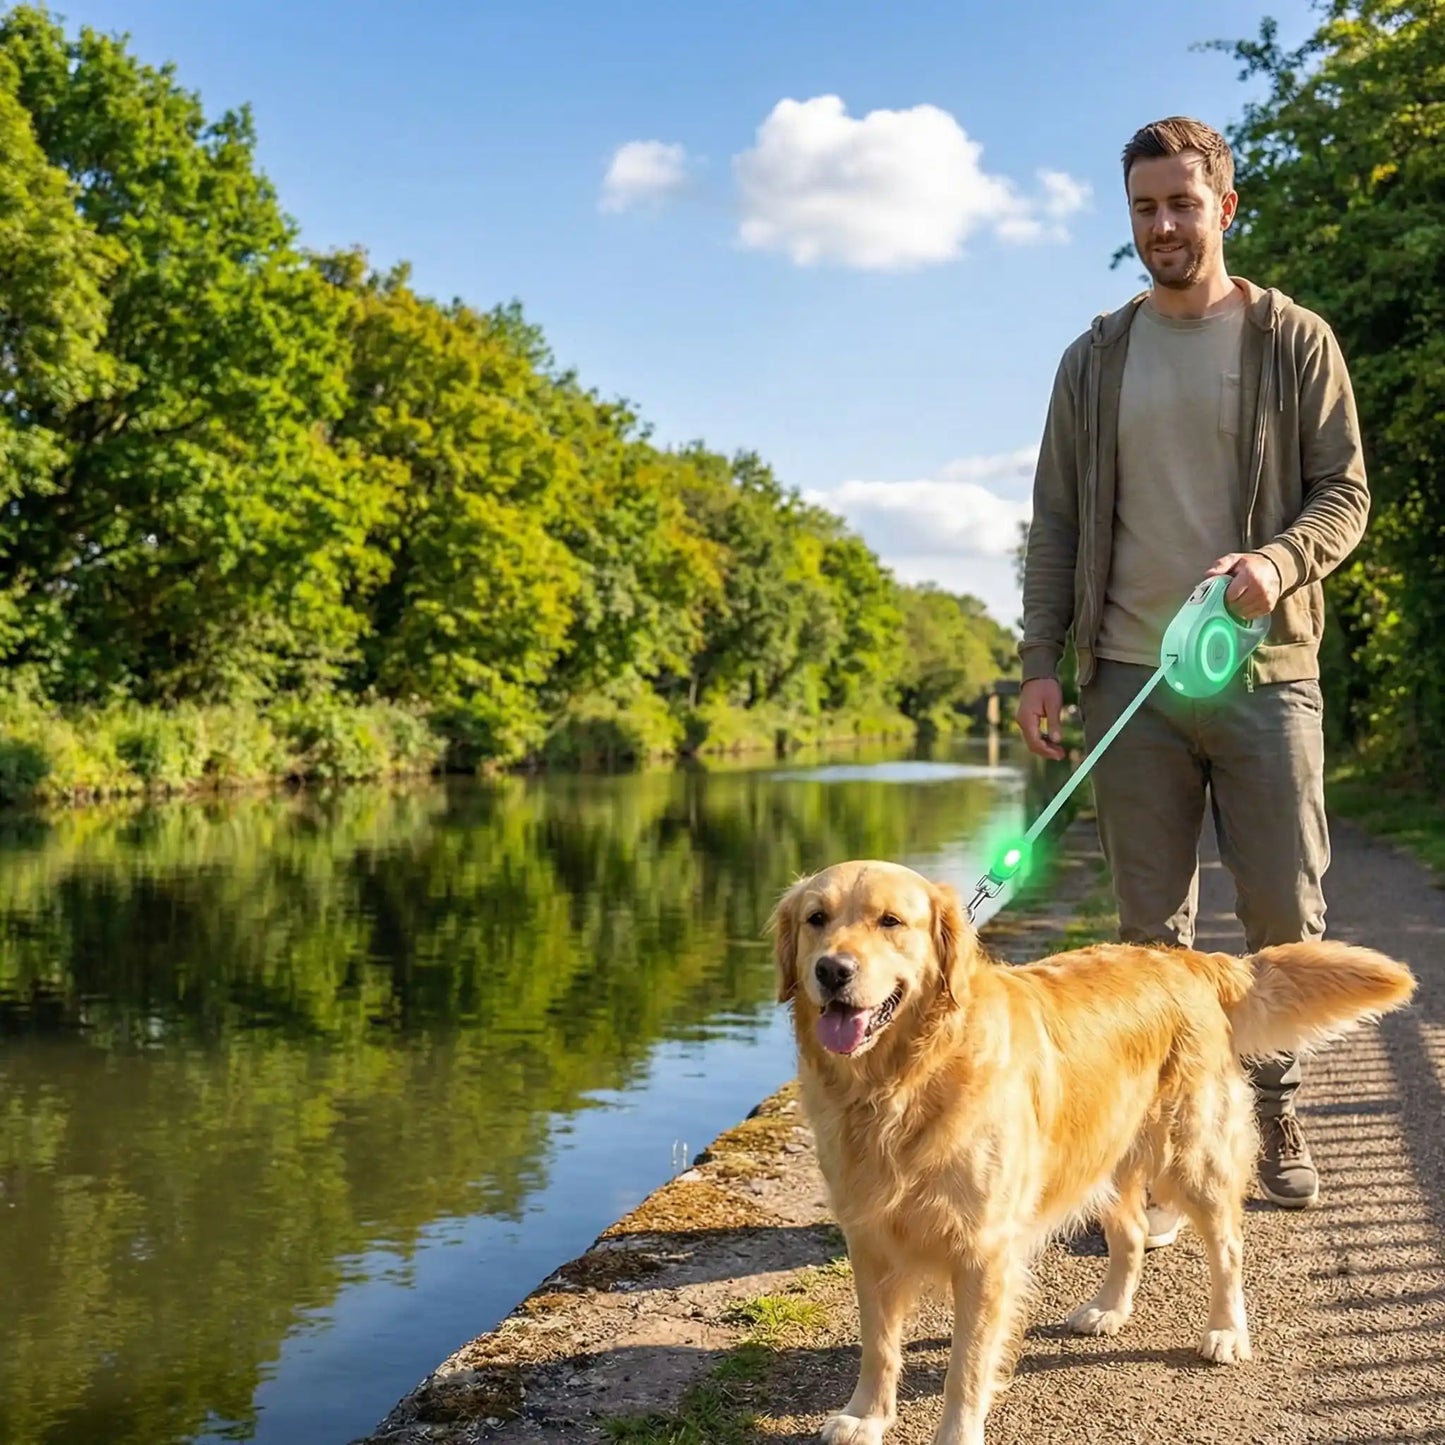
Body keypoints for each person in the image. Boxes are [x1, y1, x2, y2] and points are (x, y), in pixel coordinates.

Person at [1016, 116, 1369, 1243]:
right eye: (1141, 209)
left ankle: (1273, 1111)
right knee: (1145, 935)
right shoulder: (1092, 359)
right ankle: (1155, 1151)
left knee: (1281, 909)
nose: (1160, 226)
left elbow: (1342, 493)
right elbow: (1056, 524)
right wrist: (1038, 663)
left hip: (1264, 670)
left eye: (1179, 203)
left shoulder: (1293, 340)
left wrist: (1274, 559)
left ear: (1223, 206)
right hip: (1128, 677)